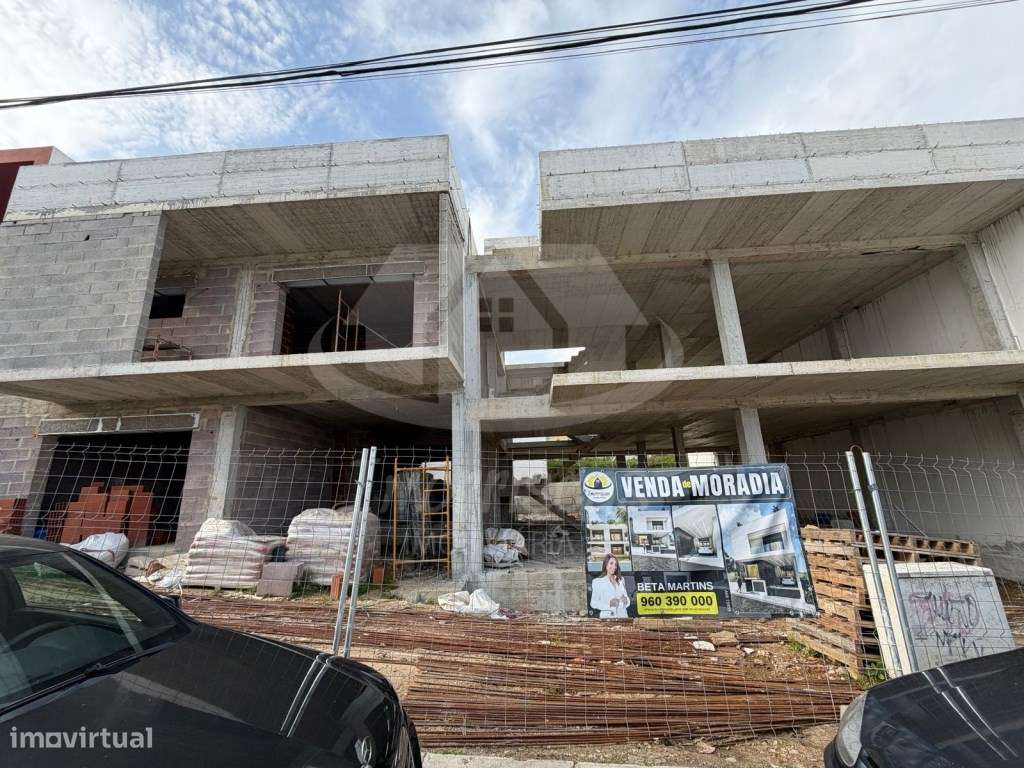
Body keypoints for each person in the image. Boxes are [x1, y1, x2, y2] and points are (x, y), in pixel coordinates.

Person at [590, 554, 630, 618]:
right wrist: (609, 604)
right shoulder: (597, 582)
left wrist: (626, 600)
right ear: (606, 564)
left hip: (623, 617)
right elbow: (593, 603)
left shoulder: (621, 579)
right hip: (607, 618)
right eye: (611, 563)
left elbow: (628, 601)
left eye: (615, 564)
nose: (614, 567)